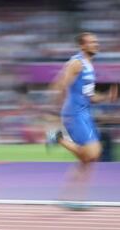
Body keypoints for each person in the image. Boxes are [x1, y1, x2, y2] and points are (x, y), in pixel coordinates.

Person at [47, 32, 117, 209]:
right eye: (92, 42)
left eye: (96, 41)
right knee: (92, 152)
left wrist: (106, 97)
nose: (96, 44)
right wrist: (54, 111)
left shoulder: (89, 65)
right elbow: (60, 84)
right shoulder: (76, 63)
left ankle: (72, 198)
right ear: (82, 46)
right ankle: (58, 138)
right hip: (74, 114)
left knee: (89, 159)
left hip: (85, 113)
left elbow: (90, 96)